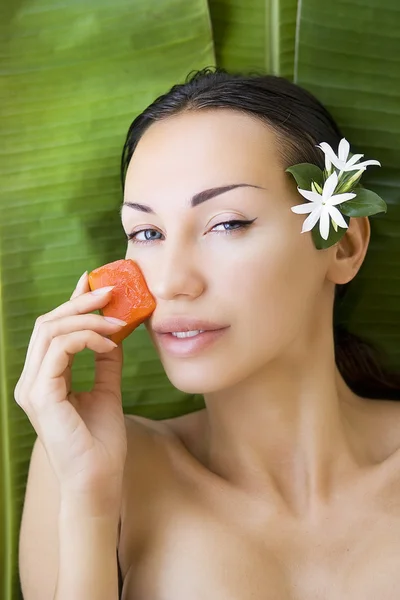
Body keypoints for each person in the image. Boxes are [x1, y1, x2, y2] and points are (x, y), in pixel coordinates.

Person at [17, 68, 400, 600]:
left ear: (343, 246)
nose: (172, 282)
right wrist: (91, 500)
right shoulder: (87, 466)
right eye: (146, 233)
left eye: (227, 223)